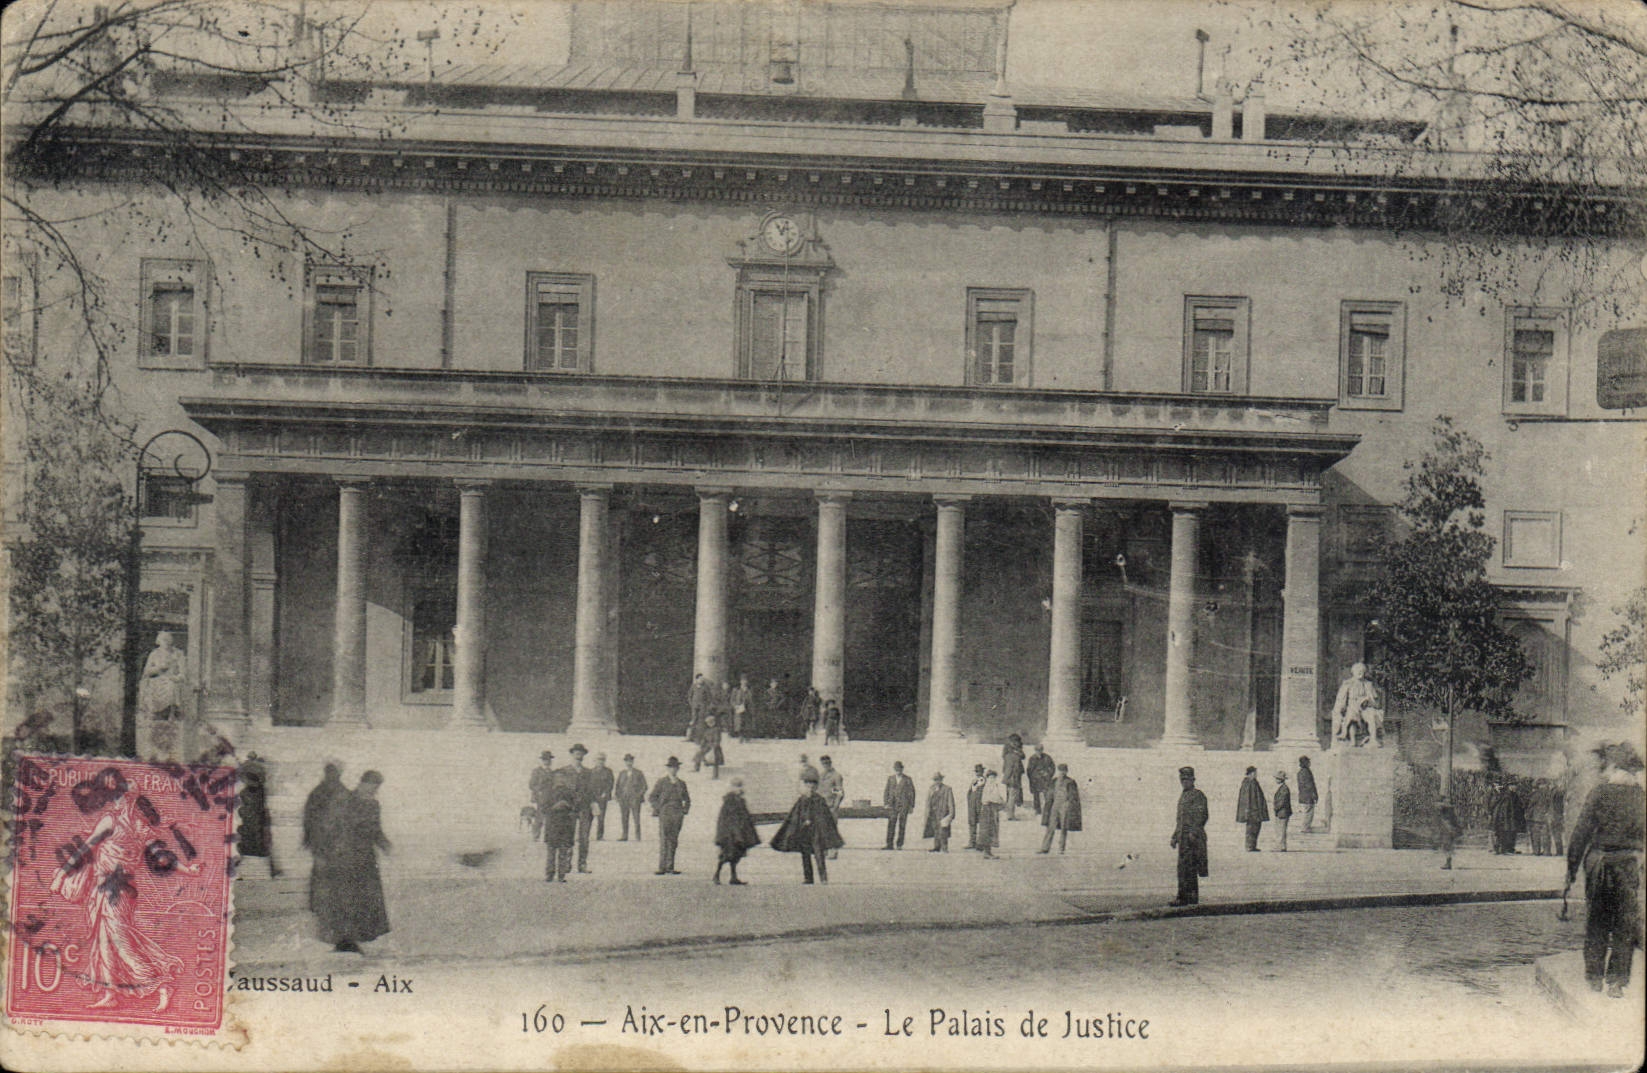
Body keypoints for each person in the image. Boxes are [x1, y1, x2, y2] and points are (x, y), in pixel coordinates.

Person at [49, 768, 197, 1009]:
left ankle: (160, 983)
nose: (116, 801)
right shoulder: (123, 822)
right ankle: (110, 994)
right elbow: (86, 849)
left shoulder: (130, 824)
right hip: (104, 888)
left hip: (118, 889)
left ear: (128, 799)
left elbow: (160, 855)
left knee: (119, 938)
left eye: (119, 797)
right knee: (103, 938)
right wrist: (62, 873)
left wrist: (186, 870)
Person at [1564, 742, 1646, 997]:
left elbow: (1581, 833)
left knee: (1597, 919)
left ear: (1614, 767)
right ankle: (1617, 981)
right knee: (1625, 922)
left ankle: (1593, 977)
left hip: (1599, 862)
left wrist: (1571, 869)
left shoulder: (1599, 793)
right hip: (1628, 863)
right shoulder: (1641, 796)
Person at [312, 771, 391, 952]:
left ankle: (356, 939)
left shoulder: (374, 804)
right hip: (344, 857)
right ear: (361, 783)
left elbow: (376, 830)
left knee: (365, 900)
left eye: (376, 788)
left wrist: (386, 846)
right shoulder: (345, 800)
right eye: (370, 786)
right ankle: (344, 941)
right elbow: (330, 827)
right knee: (345, 899)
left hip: (366, 859)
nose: (372, 790)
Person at [770, 773, 844, 884]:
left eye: (812, 786)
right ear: (805, 786)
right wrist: (800, 824)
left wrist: (813, 821)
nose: (810, 788)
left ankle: (823, 878)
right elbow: (795, 815)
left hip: (816, 831)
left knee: (818, 853)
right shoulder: (801, 800)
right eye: (808, 785)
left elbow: (824, 816)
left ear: (816, 787)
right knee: (805, 854)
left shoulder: (819, 800)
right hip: (804, 831)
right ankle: (808, 878)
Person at [303, 762, 348, 911]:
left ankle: (330, 903)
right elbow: (309, 817)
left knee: (333, 869)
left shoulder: (340, 791)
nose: (332, 775)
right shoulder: (319, 792)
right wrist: (309, 837)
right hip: (321, 837)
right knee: (321, 869)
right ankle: (318, 904)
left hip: (335, 838)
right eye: (330, 772)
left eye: (334, 772)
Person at [137, 631, 188, 759]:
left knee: (171, 689)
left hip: (171, 682)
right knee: (151, 690)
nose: (165, 642)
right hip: (157, 682)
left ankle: (169, 715)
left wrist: (173, 677)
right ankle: (153, 717)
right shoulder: (154, 654)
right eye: (163, 640)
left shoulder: (178, 654)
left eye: (168, 639)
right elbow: (147, 672)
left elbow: (183, 674)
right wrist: (159, 668)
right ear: (159, 641)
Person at [1170, 766, 1210, 906]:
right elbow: (1180, 819)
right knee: (1182, 868)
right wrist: (1175, 836)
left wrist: (1193, 832)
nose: (1184, 782)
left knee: (1191, 868)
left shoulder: (1197, 795)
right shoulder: (1183, 796)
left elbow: (1202, 816)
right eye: (1182, 780)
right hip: (1183, 838)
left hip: (1193, 839)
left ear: (1193, 780)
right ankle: (1182, 896)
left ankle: (1191, 897)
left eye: (1187, 780)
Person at [713, 777, 761, 885]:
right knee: (726, 855)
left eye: (740, 786)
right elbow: (725, 819)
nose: (739, 789)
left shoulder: (741, 800)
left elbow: (745, 816)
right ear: (732, 788)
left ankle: (733, 877)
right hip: (730, 833)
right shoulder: (729, 801)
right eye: (737, 786)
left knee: (736, 855)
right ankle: (716, 875)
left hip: (739, 833)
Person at [649, 757, 690, 875]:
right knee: (664, 839)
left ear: (678, 769)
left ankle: (670, 866)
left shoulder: (682, 784)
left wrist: (684, 810)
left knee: (674, 840)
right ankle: (662, 867)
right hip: (665, 813)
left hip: (677, 814)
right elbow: (652, 797)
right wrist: (658, 808)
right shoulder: (661, 782)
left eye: (675, 767)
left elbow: (687, 799)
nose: (673, 770)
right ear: (668, 769)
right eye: (671, 767)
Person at [238, 752, 277, 876]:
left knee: (248, 841)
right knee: (264, 842)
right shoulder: (260, 787)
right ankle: (272, 868)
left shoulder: (246, 768)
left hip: (251, 816)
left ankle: (272, 868)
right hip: (258, 815)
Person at [540, 759, 578, 883]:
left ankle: (561, 875)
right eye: (558, 778)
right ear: (554, 779)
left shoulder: (570, 792)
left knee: (563, 850)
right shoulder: (549, 792)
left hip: (566, 824)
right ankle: (549, 874)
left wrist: (567, 806)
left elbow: (576, 806)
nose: (560, 780)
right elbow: (544, 807)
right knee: (551, 851)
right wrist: (555, 806)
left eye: (563, 778)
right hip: (552, 824)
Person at [1331, 662, 1383, 747]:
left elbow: (1375, 701)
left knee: (1372, 715)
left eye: (1362, 671)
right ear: (1353, 672)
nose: (1360, 673)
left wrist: (1367, 700)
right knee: (1352, 714)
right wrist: (1339, 709)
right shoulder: (1348, 683)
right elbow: (1341, 699)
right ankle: (1352, 740)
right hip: (1352, 706)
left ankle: (1373, 739)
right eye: (1358, 671)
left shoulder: (1368, 684)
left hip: (1365, 707)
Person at [563, 744, 596, 874]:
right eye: (576, 753)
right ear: (572, 754)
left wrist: (594, 804)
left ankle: (582, 864)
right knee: (568, 836)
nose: (579, 755)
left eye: (581, 753)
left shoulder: (588, 772)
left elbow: (592, 790)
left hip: (584, 808)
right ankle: (566, 864)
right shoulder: (565, 771)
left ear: (584, 756)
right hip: (569, 808)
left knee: (584, 837)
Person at [1038, 763, 1082, 855]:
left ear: (1066, 771)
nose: (1062, 772)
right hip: (1055, 805)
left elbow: (1073, 796)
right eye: (1060, 770)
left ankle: (1061, 848)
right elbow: (1050, 793)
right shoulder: (1054, 781)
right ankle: (1045, 847)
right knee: (1050, 827)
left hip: (1065, 806)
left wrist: (1070, 807)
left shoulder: (1070, 782)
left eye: (1064, 770)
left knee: (1063, 827)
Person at [882, 761, 916, 850]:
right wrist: (886, 803)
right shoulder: (891, 779)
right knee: (891, 824)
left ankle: (899, 845)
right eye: (896, 769)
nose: (898, 771)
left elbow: (912, 793)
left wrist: (911, 806)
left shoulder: (908, 779)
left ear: (902, 769)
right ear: (894, 770)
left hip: (904, 805)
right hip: (892, 805)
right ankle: (889, 845)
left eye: (899, 769)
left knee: (902, 825)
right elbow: (886, 791)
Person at [615, 754, 648, 841]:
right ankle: (624, 836)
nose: (629, 763)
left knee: (636, 818)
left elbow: (644, 786)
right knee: (624, 817)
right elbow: (617, 786)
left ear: (633, 762)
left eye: (630, 761)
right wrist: (617, 796)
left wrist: (638, 795)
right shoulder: (622, 773)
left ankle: (638, 836)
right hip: (624, 799)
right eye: (627, 761)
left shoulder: (638, 773)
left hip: (635, 800)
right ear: (625, 762)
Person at [818, 755, 845, 859]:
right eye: (823, 763)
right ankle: (824, 850)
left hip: (831, 806)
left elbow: (839, 792)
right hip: (821, 807)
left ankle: (833, 851)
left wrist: (835, 806)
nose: (825, 765)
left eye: (827, 763)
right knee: (822, 829)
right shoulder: (820, 776)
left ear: (830, 763)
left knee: (832, 829)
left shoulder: (836, 776)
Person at [1237, 766, 1269, 851]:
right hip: (1252, 810)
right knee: (1251, 828)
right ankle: (1249, 846)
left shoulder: (1253, 782)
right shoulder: (1248, 783)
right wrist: (1247, 810)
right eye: (1255, 773)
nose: (1256, 774)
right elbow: (1247, 798)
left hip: (1256, 810)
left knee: (1256, 828)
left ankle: (1253, 845)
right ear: (1250, 773)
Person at [1490, 779, 1526, 854]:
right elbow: (1504, 807)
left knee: (1512, 833)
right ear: (1509, 786)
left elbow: (1518, 805)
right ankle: (1504, 849)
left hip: (1513, 817)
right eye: (1513, 785)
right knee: (1505, 833)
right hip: (1507, 817)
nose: (1515, 787)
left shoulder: (1514, 794)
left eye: (1515, 785)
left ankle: (1510, 848)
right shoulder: (1506, 795)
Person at [923, 772, 956, 852]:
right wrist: (927, 813)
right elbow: (928, 801)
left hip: (943, 812)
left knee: (943, 830)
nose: (937, 781)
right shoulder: (931, 789)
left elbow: (951, 802)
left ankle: (944, 847)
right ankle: (936, 847)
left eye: (938, 780)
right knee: (935, 829)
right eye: (935, 780)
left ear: (941, 780)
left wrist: (951, 814)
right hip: (933, 813)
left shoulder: (947, 789)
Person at [527, 751, 555, 842]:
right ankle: (536, 835)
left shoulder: (551, 772)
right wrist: (538, 790)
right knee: (539, 816)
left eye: (549, 759)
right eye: (545, 759)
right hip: (540, 797)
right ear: (542, 760)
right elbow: (531, 785)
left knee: (550, 817)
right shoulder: (537, 771)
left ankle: (548, 836)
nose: (547, 761)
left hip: (550, 797)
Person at [977, 770, 1006, 859]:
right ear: (987, 778)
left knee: (993, 830)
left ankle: (988, 852)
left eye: (993, 777)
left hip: (993, 810)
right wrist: (997, 800)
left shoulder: (995, 786)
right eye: (990, 777)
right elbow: (988, 799)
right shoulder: (986, 787)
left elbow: (1000, 799)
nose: (992, 779)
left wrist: (1000, 801)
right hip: (987, 810)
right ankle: (986, 852)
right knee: (986, 830)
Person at [590, 752, 616, 841]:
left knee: (601, 817)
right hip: (592, 797)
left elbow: (610, 783)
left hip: (603, 797)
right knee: (589, 816)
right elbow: (589, 784)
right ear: (595, 761)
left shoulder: (608, 771)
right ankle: (585, 834)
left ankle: (600, 836)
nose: (600, 761)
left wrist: (606, 792)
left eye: (602, 760)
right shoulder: (591, 771)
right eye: (598, 759)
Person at [1025, 744, 1055, 817]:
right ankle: (1037, 810)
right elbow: (1029, 770)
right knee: (1036, 795)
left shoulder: (1047, 758)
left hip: (1045, 780)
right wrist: (1031, 778)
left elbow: (1052, 767)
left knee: (1047, 795)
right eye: (1037, 750)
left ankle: (1048, 810)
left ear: (1042, 750)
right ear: (1035, 751)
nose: (1039, 752)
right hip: (1035, 780)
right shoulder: (1032, 758)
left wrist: (1048, 774)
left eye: (1040, 750)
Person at [1002, 734, 1026, 821]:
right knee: (1012, 797)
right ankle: (1010, 815)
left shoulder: (1008, 753)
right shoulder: (1014, 755)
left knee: (1011, 796)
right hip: (1013, 778)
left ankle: (1009, 814)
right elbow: (1014, 768)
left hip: (1009, 777)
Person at [1436, 794, 1463, 871]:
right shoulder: (1450, 809)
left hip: (1448, 829)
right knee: (1447, 846)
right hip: (1449, 829)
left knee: (1446, 846)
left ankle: (1448, 863)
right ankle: (1448, 862)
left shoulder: (1445, 808)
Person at [693, 714, 725, 779]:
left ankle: (715, 775)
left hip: (714, 747)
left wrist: (714, 747)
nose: (709, 724)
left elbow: (717, 740)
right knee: (698, 754)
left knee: (715, 761)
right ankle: (696, 768)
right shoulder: (707, 730)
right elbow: (704, 738)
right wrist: (701, 744)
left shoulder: (716, 730)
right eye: (708, 722)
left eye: (710, 722)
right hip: (706, 746)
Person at [966, 764, 987, 849]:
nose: (978, 773)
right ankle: (972, 842)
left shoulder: (985, 781)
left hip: (980, 804)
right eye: (976, 771)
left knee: (982, 824)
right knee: (972, 823)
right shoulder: (974, 780)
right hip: (972, 804)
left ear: (982, 771)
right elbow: (970, 792)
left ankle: (981, 844)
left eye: (979, 771)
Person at [686, 672, 712, 741]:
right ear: (697, 679)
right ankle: (690, 736)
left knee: (701, 721)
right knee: (693, 720)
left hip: (702, 707)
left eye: (702, 679)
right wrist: (691, 703)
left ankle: (700, 737)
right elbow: (689, 696)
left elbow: (709, 697)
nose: (701, 680)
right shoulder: (693, 686)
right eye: (700, 679)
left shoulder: (705, 687)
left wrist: (706, 705)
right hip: (694, 706)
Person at [1296, 756, 1319, 833]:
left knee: (1306, 811)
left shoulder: (1300, 772)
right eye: (1308, 762)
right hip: (1308, 795)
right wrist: (1314, 794)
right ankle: (1305, 828)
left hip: (1303, 795)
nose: (1309, 763)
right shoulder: (1306, 772)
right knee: (1309, 812)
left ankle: (1305, 827)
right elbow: (1310, 785)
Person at [1272, 770, 1292, 852]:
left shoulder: (1284, 788)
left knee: (1281, 830)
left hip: (1282, 812)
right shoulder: (1283, 788)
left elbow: (1282, 801)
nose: (1276, 780)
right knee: (1281, 830)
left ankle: (1280, 847)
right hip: (1281, 812)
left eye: (1277, 778)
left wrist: (1276, 808)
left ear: (1280, 779)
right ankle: (1282, 846)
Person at [729, 675, 753, 743]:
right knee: (739, 723)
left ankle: (746, 737)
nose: (744, 682)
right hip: (739, 709)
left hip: (747, 709)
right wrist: (735, 706)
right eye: (742, 681)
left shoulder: (749, 690)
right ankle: (740, 736)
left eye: (745, 681)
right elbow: (732, 700)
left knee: (747, 723)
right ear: (740, 682)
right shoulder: (736, 690)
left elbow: (751, 700)